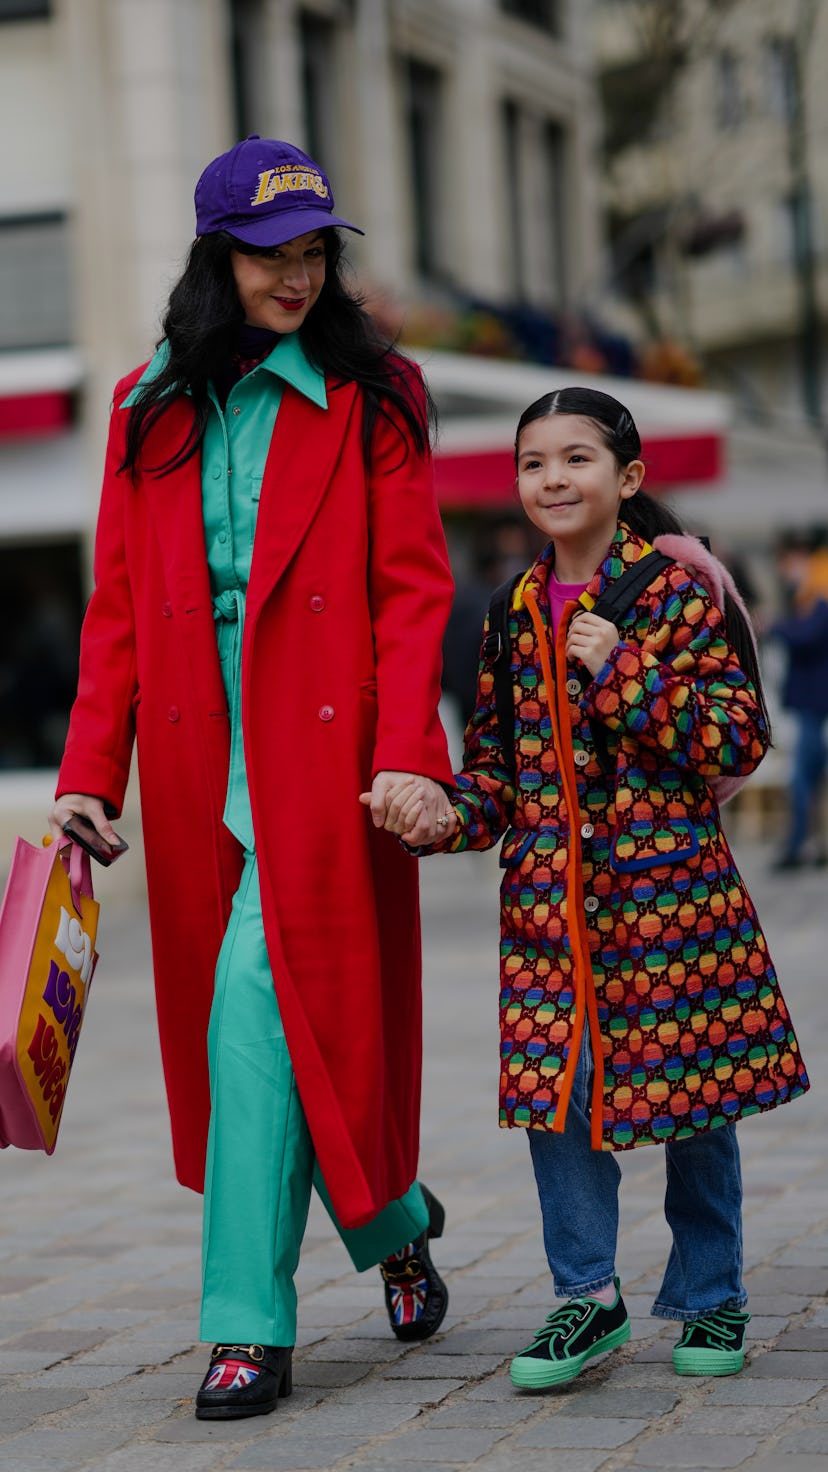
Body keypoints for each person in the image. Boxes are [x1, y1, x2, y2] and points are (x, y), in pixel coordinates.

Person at [48, 135, 454, 1420]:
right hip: (188, 749)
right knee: (282, 1029)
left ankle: (243, 1324)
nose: (297, 274)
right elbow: (115, 605)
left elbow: (411, 585)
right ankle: (396, 1217)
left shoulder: (379, 389)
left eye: (315, 250)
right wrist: (86, 769)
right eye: (272, 254)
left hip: (322, 749)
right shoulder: (146, 402)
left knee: (253, 1005)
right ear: (217, 255)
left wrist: (406, 753)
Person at [380, 387, 810, 1388]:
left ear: (627, 479)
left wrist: (625, 673)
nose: (553, 478)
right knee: (555, 1105)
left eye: (577, 459)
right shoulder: (510, 611)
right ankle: (587, 1299)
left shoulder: (675, 593)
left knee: (695, 1105)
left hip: (671, 905)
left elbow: (737, 735)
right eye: (535, 462)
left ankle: (714, 1295)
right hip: (547, 913)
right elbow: (497, 772)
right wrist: (446, 814)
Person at [768, 529, 828, 870]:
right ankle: (809, 845)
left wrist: (776, 625)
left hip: (814, 702)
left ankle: (797, 846)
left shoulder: (819, 592)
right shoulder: (809, 593)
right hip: (811, 702)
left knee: (802, 779)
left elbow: (807, 635)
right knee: (810, 777)